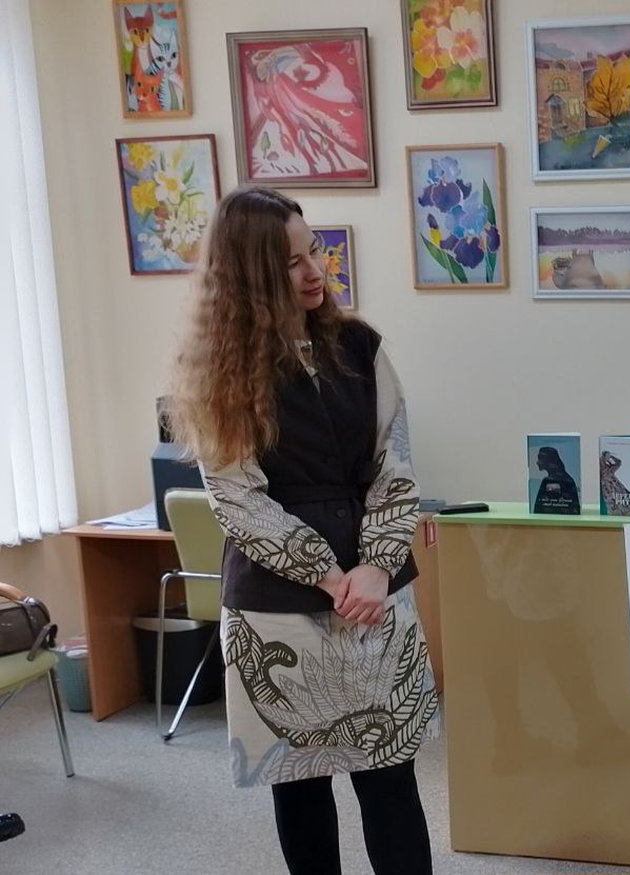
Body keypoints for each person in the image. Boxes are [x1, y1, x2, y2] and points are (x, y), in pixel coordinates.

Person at [170, 187, 438, 875]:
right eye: (290, 262)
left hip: (374, 596)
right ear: (249, 275)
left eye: (313, 250)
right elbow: (236, 497)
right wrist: (327, 574)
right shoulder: (214, 371)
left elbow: (395, 462)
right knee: (299, 785)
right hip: (276, 608)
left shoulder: (359, 346)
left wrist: (376, 566)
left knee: (390, 779)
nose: (315, 270)